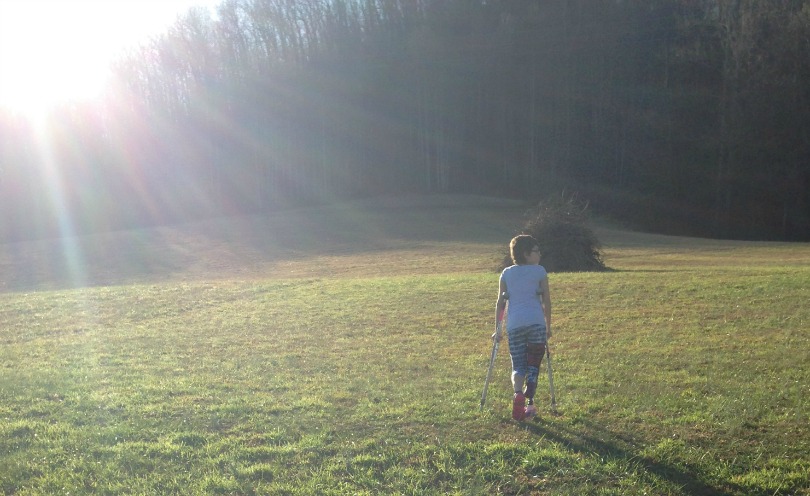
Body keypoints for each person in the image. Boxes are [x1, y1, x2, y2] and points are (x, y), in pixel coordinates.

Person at [494, 234, 552, 421]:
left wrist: (498, 329)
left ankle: (518, 393)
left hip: (515, 325)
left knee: (518, 365)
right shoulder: (539, 271)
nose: (539, 254)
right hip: (536, 323)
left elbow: (500, 303)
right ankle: (531, 398)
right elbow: (547, 301)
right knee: (533, 362)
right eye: (536, 251)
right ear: (527, 254)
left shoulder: (507, 273)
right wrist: (548, 325)